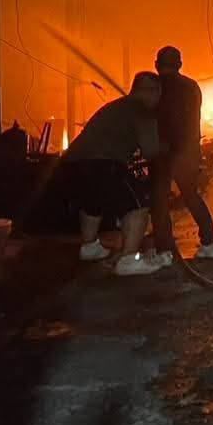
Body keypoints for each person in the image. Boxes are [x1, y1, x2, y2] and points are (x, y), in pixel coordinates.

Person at [62, 71, 167, 275]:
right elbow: (150, 151)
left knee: (93, 201)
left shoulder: (115, 107)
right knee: (139, 203)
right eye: (158, 95)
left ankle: (89, 247)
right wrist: (166, 147)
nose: (158, 100)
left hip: (70, 165)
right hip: (102, 163)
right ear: (152, 92)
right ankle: (128, 260)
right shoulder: (143, 111)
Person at [150, 45, 213, 259]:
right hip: (188, 150)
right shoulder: (191, 87)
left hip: (162, 152)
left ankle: (164, 249)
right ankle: (209, 242)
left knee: (159, 199)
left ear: (156, 64)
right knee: (190, 195)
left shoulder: (155, 87)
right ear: (179, 64)